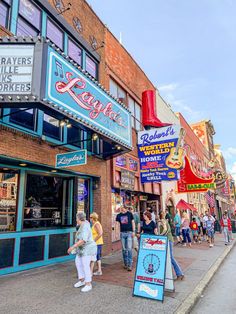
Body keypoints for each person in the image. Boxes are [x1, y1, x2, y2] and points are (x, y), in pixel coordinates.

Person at [67, 211, 97, 292]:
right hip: (81, 249)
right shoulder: (82, 224)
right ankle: (82, 280)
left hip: (87, 249)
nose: (76, 220)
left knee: (85, 265)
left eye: (76, 218)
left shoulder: (85, 226)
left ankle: (88, 284)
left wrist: (72, 247)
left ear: (79, 218)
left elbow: (83, 240)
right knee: (78, 263)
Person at [159, 211, 184, 280]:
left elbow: (165, 230)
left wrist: (159, 235)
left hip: (168, 240)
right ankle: (169, 275)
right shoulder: (164, 221)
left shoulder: (163, 221)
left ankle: (180, 274)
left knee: (171, 258)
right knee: (168, 258)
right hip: (167, 240)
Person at [116, 206, 135, 271]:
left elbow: (133, 222)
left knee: (129, 249)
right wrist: (117, 233)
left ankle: (130, 265)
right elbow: (117, 224)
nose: (121, 209)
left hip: (129, 233)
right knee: (124, 249)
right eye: (121, 208)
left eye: (122, 208)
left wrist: (134, 231)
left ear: (125, 208)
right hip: (122, 233)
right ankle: (125, 263)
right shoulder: (118, 215)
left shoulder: (130, 214)